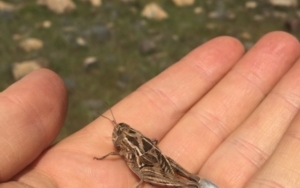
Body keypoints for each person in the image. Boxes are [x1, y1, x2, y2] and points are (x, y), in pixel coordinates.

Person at [1, 31, 300, 188]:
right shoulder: (127, 144)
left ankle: (192, 182)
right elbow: (133, 149)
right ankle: (192, 183)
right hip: (154, 161)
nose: (119, 134)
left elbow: (139, 160)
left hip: (154, 168)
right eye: (121, 131)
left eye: (122, 130)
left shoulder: (127, 148)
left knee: (155, 172)